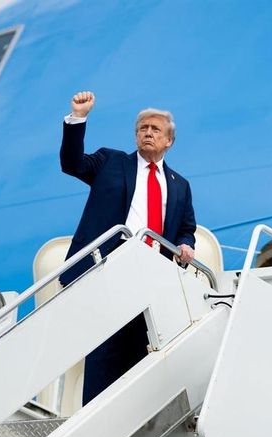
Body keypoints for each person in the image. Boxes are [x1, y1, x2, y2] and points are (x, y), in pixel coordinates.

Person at [59, 91, 196, 404]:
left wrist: (186, 245)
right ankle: (94, 420)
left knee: (140, 353)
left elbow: (186, 228)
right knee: (104, 351)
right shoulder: (111, 161)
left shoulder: (179, 185)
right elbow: (72, 163)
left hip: (152, 276)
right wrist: (78, 118)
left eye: (155, 129)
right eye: (142, 128)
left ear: (169, 141)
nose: (147, 132)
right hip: (109, 267)